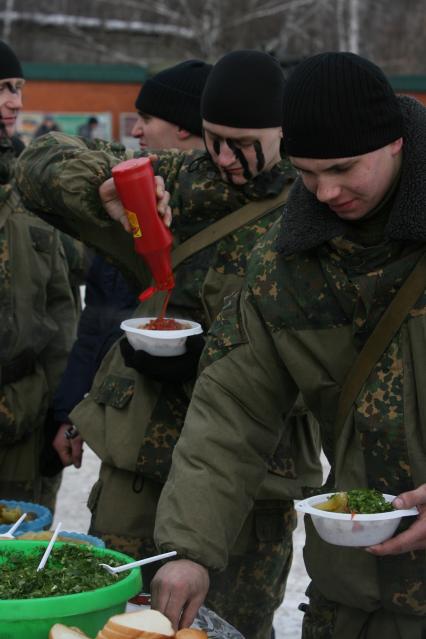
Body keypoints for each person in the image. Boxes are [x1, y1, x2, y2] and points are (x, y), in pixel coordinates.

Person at [15, 50, 322, 639]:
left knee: (226, 628)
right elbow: (40, 163)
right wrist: (104, 187)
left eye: (243, 142)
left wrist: (218, 361)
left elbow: (329, 363)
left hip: (250, 488)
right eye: (214, 139)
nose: (226, 158)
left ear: (283, 129)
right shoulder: (176, 180)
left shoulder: (312, 211)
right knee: (115, 625)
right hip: (140, 469)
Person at [148, 52, 426, 638]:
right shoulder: (286, 262)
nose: (324, 193)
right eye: (305, 172)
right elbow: (232, 408)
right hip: (353, 597)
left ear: (396, 142)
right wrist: (190, 548)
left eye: (345, 169)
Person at [51, 59, 210, 470]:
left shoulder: (231, 218)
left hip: (204, 448)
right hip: (128, 442)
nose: (135, 130)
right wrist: (71, 410)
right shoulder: (130, 211)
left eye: (146, 118)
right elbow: (98, 323)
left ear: (184, 126)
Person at [0, 40, 76, 508]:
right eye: (3, 89)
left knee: (19, 567)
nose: (16, 102)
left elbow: (62, 309)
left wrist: (61, 409)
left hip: (24, 425)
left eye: (18, 88)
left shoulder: (29, 189)